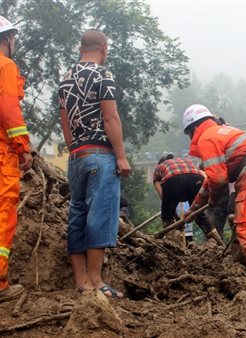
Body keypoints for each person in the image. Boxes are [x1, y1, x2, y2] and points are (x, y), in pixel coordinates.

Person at [58, 29, 131, 299]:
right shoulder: (103, 75)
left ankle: (81, 282)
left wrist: (75, 150)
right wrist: (121, 156)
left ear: (81, 47)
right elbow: (110, 117)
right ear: (104, 48)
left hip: (77, 157)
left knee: (77, 215)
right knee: (99, 215)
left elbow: (65, 122)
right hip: (101, 154)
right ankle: (97, 282)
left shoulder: (66, 78)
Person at [181, 104, 246, 285]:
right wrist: (193, 209)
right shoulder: (224, 131)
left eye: (189, 134)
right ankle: (239, 267)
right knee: (243, 224)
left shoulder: (206, 137)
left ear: (194, 128)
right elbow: (210, 182)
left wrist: (212, 200)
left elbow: (218, 180)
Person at [0, 16, 33, 303]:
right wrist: (23, 146)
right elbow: (9, 108)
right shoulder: (5, 66)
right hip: (1, 155)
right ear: (7, 38)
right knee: (2, 213)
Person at [153, 153, 223, 245]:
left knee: (167, 217)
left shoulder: (158, 170)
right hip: (196, 178)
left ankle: (173, 247)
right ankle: (219, 244)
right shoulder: (184, 161)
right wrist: (178, 219)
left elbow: (165, 199)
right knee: (200, 217)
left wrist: (173, 218)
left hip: (174, 179)